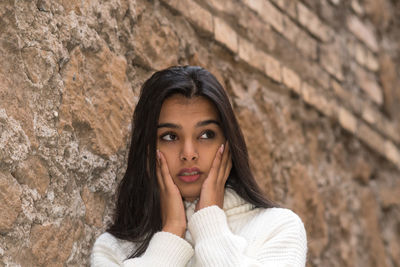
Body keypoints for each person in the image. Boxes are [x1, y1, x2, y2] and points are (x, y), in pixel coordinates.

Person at [91, 66, 307, 266]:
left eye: (206, 135)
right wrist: (172, 231)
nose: (188, 154)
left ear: (227, 143)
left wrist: (209, 224)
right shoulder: (113, 250)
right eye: (169, 136)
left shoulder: (278, 228)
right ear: (147, 149)